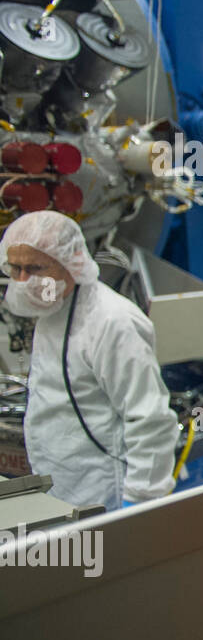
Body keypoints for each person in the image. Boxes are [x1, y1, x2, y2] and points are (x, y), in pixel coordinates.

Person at [0, 211, 177, 511]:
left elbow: (149, 418)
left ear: (72, 263)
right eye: (15, 268)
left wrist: (141, 501)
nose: (22, 281)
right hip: (61, 482)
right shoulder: (51, 307)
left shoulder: (112, 322)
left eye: (34, 268)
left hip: (104, 490)